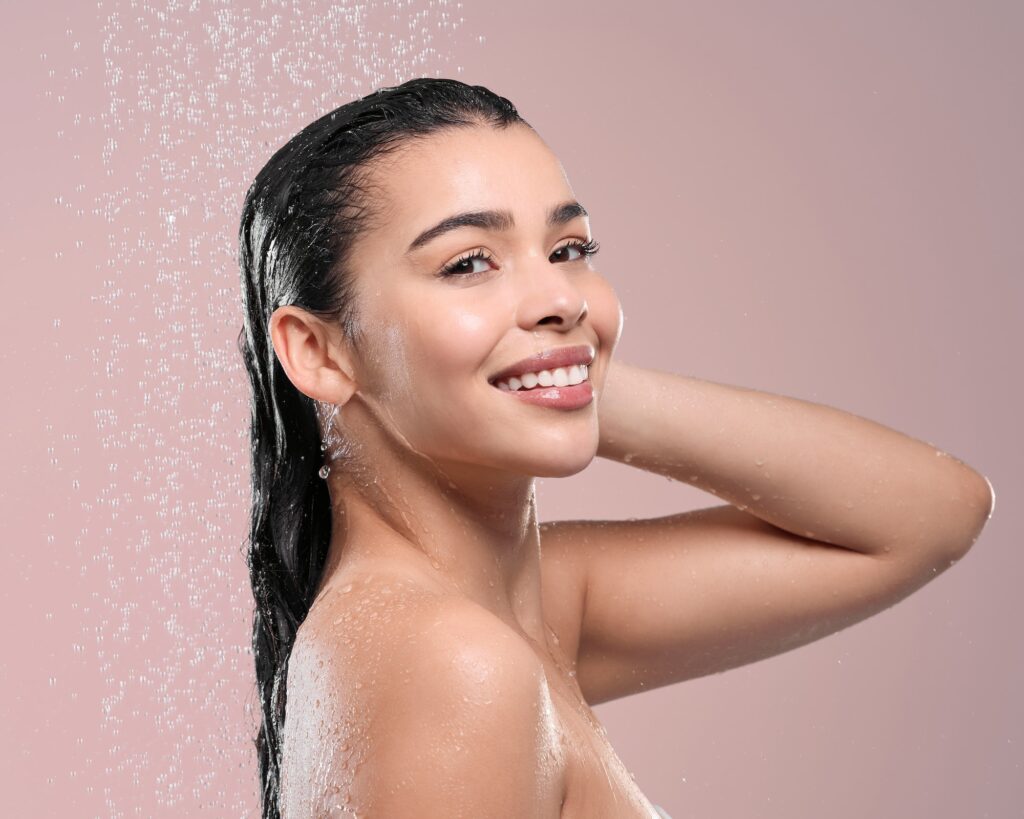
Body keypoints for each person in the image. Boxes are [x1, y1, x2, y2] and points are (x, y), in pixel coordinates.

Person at [237, 77, 994, 819]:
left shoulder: (518, 606)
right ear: (319, 352)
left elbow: (932, 515)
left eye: (569, 248)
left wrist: (567, 372)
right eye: (470, 262)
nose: (563, 298)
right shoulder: (452, 663)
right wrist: (534, 366)